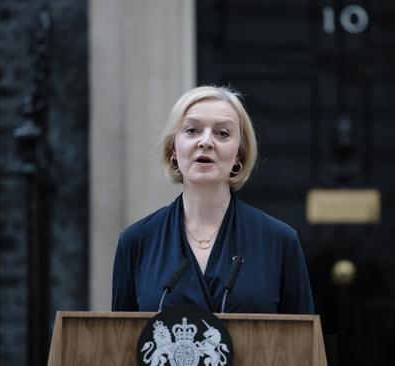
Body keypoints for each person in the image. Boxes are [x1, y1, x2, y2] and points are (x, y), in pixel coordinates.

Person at [111, 85, 314, 314]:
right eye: (192, 130)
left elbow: (302, 343)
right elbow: (121, 342)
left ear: (239, 154)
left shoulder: (280, 241)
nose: (206, 142)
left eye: (222, 133)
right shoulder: (136, 241)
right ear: (173, 150)